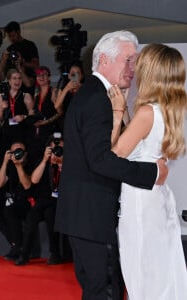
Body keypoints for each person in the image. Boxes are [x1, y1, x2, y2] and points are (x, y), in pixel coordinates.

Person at [55, 30, 168, 300]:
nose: (133, 68)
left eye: (135, 61)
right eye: (128, 60)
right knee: (106, 291)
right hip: (93, 215)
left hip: (86, 215)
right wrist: (152, 173)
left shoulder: (97, 94)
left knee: (101, 290)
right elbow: (101, 160)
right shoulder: (97, 99)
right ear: (105, 60)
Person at [111, 44, 187, 300]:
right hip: (158, 197)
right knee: (161, 268)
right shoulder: (169, 109)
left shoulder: (146, 113)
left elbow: (114, 155)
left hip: (141, 201)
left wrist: (118, 112)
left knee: (141, 270)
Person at [15, 133, 64, 266]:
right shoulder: (41, 161)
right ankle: (24, 255)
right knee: (31, 217)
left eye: (60, 149)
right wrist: (44, 160)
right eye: (54, 149)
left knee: (50, 215)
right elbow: (34, 180)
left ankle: (55, 254)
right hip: (43, 200)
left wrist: (61, 165)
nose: (57, 152)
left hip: (61, 202)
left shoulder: (69, 162)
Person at [0, 21, 39, 94]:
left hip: (26, 85)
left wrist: (22, 63)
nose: (12, 38)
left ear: (19, 32)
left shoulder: (30, 45)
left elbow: (36, 65)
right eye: (10, 36)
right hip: (12, 88)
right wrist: (3, 60)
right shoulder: (9, 49)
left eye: (13, 35)